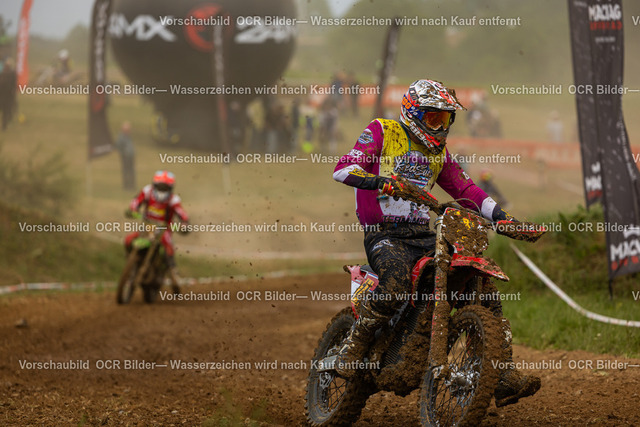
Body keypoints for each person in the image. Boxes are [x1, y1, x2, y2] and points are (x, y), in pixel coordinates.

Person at [332, 79, 540, 407]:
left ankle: (501, 374)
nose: (441, 127)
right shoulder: (383, 130)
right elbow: (343, 170)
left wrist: (502, 218)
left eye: (445, 120)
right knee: (396, 282)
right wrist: (382, 181)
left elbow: (466, 190)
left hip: (422, 234)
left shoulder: (438, 152)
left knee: (481, 287)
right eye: (433, 118)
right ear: (413, 113)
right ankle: (353, 346)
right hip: (384, 233)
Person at [125, 171, 189, 294]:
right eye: (160, 186)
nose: (162, 190)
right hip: (147, 227)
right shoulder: (147, 192)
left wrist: (184, 223)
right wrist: (133, 210)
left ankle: (173, 274)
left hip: (164, 230)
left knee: (168, 247)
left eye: (165, 187)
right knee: (128, 240)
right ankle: (131, 262)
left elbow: (182, 213)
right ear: (154, 185)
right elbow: (136, 201)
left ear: (170, 188)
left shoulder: (174, 200)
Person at [115, 121, 136, 190]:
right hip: (125, 157)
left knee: (131, 171)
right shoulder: (121, 137)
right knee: (126, 171)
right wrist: (123, 153)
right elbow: (118, 146)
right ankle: (126, 186)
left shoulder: (129, 137)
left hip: (130, 156)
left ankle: (132, 185)